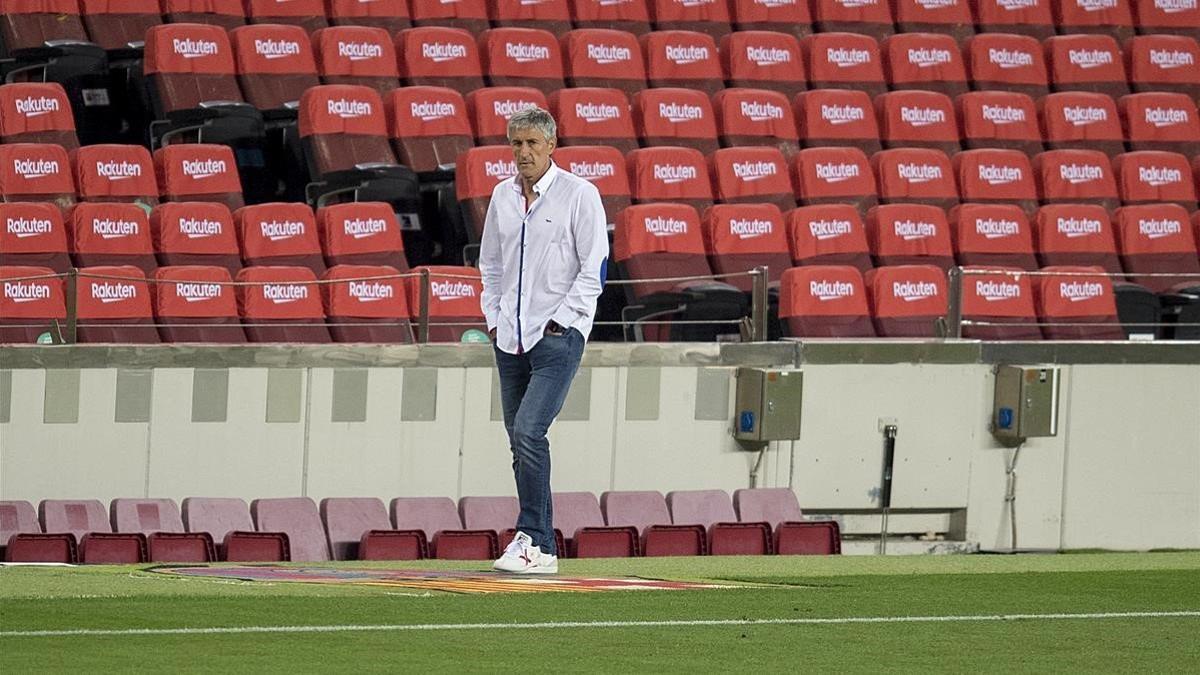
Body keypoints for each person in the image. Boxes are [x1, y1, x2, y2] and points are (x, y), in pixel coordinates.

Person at [479, 107, 608, 574]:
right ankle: (542, 547)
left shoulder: (580, 195)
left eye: (533, 143)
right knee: (519, 438)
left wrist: (564, 321)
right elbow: (490, 264)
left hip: (556, 337)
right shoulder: (502, 196)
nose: (524, 152)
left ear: (551, 145)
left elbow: (594, 268)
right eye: (517, 143)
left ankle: (533, 537)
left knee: (530, 431)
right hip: (509, 338)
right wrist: (493, 319)